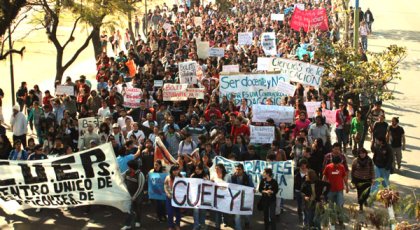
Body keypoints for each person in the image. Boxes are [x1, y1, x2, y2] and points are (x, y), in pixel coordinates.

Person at [322, 155, 349, 226]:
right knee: (330, 206)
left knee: (339, 206)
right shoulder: (328, 167)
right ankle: (332, 221)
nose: (337, 165)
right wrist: (322, 187)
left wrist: (347, 186)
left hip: (339, 190)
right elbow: (324, 177)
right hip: (330, 190)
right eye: (335, 163)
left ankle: (341, 220)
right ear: (332, 162)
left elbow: (344, 177)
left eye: (338, 163)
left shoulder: (342, 167)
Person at [228, 163, 254, 230]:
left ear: (243, 170)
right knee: (237, 215)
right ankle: (238, 227)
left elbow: (251, 186)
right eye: (236, 169)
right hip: (236, 199)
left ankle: (247, 222)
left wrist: (253, 190)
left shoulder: (248, 176)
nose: (237, 171)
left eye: (239, 169)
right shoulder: (232, 177)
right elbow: (230, 187)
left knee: (246, 215)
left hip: (245, 198)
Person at [121, 159, 146, 230]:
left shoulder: (140, 175)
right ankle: (127, 224)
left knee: (138, 208)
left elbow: (140, 187)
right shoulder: (127, 172)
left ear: (132, 167)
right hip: (129, 195)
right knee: (129, 209)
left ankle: (138, 221)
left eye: (129, 167)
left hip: (138, 195)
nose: (128, 168)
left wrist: (134, 197)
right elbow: (120, 177)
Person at [190, 163, 209, 230]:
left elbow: (209, 186)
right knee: (196, 211)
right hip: (195, 197)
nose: (197, 170)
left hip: (203, 197)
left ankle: (202, 224)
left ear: (202, 170)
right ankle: (196, 225)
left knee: (203, 211)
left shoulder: (205, 176)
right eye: (196, 169)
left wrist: (207, 180)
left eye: (199, 169)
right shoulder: (192, 176)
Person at [164, 165, 182, 230]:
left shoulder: (181, 177)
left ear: (179, 170)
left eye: (177, 170)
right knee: (169, 212)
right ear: (171, 171)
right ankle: (170, 225)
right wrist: (167, 193)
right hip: (169, 197)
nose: (175, 171)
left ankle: (177, 225)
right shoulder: (168, 177)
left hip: (178, 198)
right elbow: (165, 185)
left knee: (178, 213)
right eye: (174, 170)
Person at [211, 163, 228, 229]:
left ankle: (225, 221)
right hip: (217, 197)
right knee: (217, 212)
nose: (216, 170)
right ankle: (217, 226)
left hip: (225, 196)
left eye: (217, 168)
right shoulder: (213, 175)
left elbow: (228, 185)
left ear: (222, 169)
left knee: (225, 211)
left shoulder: (226, 176)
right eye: (215, 169)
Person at [294, 159, 308, 223]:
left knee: (305, 204)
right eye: (301, 165)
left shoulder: (309, 171)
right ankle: (299, 214)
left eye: (304, 165)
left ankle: (305, 218)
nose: (303, 166)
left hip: (305, 191)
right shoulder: (296, 171)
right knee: (299, 204)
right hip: (297, 190)